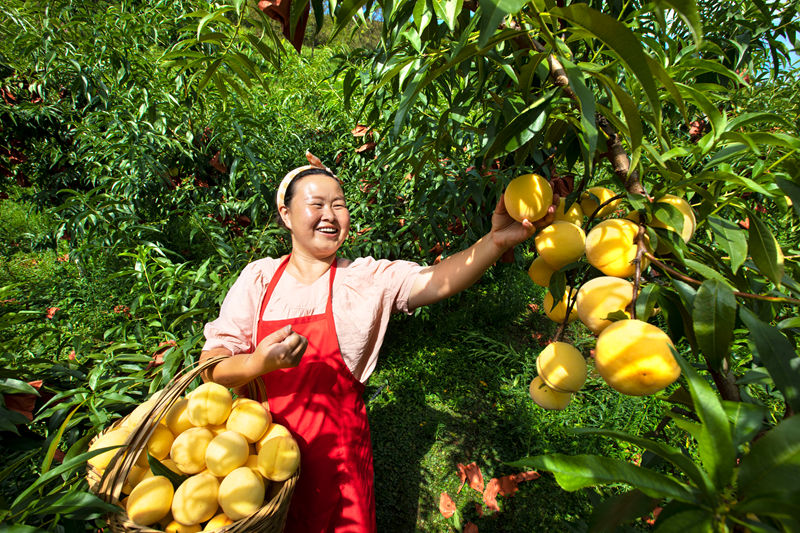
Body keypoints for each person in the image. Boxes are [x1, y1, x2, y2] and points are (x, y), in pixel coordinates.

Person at [199, 151, 555, 532]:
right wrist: (258, 363)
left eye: (338, 205)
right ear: (285, 214)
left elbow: (437, 280)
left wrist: (494, 242)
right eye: (316, 204)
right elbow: (211, 367)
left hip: (339, 465)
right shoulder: (259, 280)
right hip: (259, 466)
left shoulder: (365, 280)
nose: (330, 215)